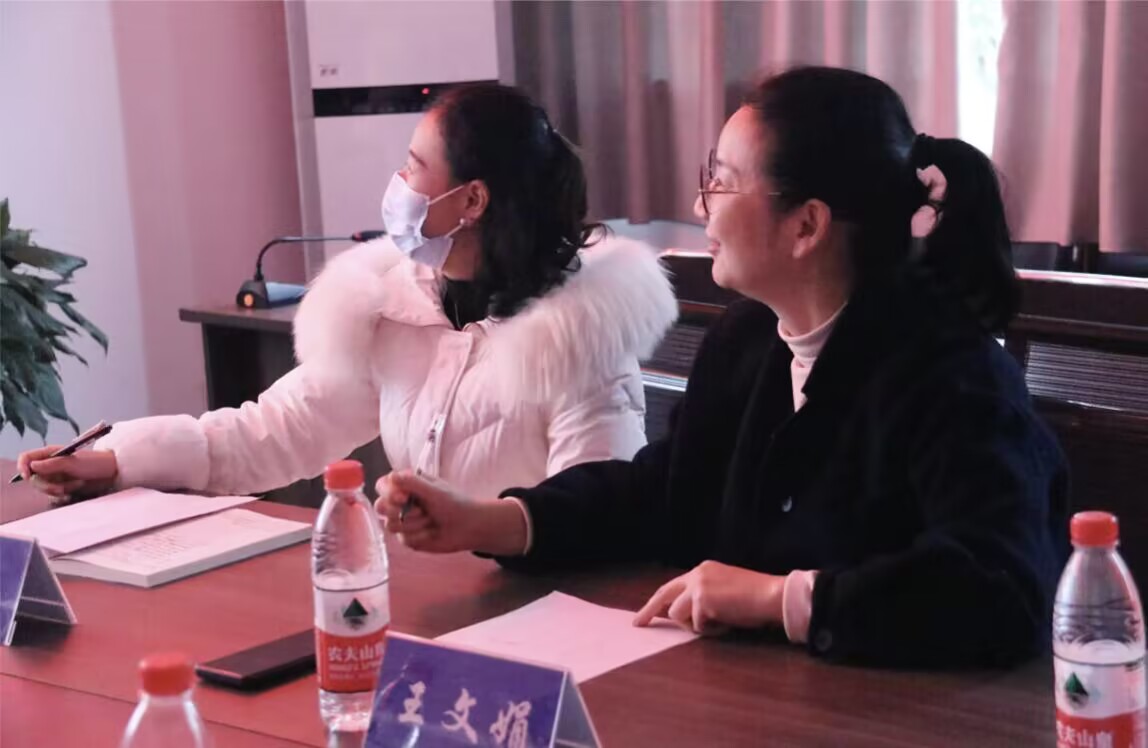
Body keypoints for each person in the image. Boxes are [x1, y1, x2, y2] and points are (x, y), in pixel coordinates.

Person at [376, 67, 1069, 668]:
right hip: (753, 695)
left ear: (806, 226)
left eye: (723, 182)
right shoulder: (747, 341)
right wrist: (491, 521)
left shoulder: (951, 374)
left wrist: (780, 599)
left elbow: (1002, 588)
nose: (699, 203)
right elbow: (659, 493)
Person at [17, 83, 678, 502]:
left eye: (414, 167)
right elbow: (275, 432)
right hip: (426, 603)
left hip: (534, 622)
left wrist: (480, 534)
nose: (398, 183)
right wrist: (117, 460)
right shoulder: (399, 304)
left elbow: (595, 517)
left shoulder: (579, 344)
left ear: (472, 200)